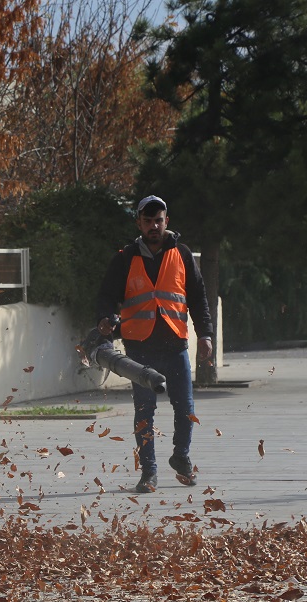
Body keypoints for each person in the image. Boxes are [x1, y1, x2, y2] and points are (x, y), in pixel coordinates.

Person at [96, 195, 214, 493]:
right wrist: (107, 317)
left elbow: (198, 298)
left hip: (175, 345)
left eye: (158, 220)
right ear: (139, 223)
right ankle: (149, 473)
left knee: (185, 408)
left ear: (166, 221)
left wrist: (206, 335)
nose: (153, 226)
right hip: (140, 349)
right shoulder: (125, 258)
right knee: (144, 412)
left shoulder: (183, 255)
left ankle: (181, 457)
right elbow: (107, 295)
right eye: (147, 221)